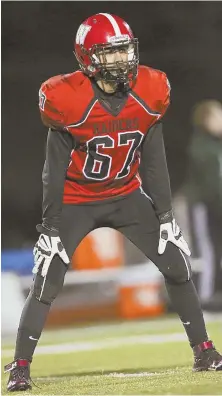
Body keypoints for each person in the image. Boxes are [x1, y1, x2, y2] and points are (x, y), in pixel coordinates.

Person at [4, 13, 222, 392]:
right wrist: (50, 226)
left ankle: (204, 350)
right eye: (110, 53)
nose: (121, 60)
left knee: (176, 264)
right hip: (75, 200)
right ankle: (20, 365)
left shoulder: (150, 90)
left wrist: (166, 215)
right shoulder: (67, 98)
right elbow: (52, 170)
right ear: (87, 58)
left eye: (125, 50)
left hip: (125, 195)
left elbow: (155, 160)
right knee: (47, 281)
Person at [185, 100, 222, 309]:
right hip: (200, 205)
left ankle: (210, 294)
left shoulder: (215, 146)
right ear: (207, 120)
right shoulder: (203, 148)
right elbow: (211, 184)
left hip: (212, 205)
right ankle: (202, 300)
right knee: (204, 250)